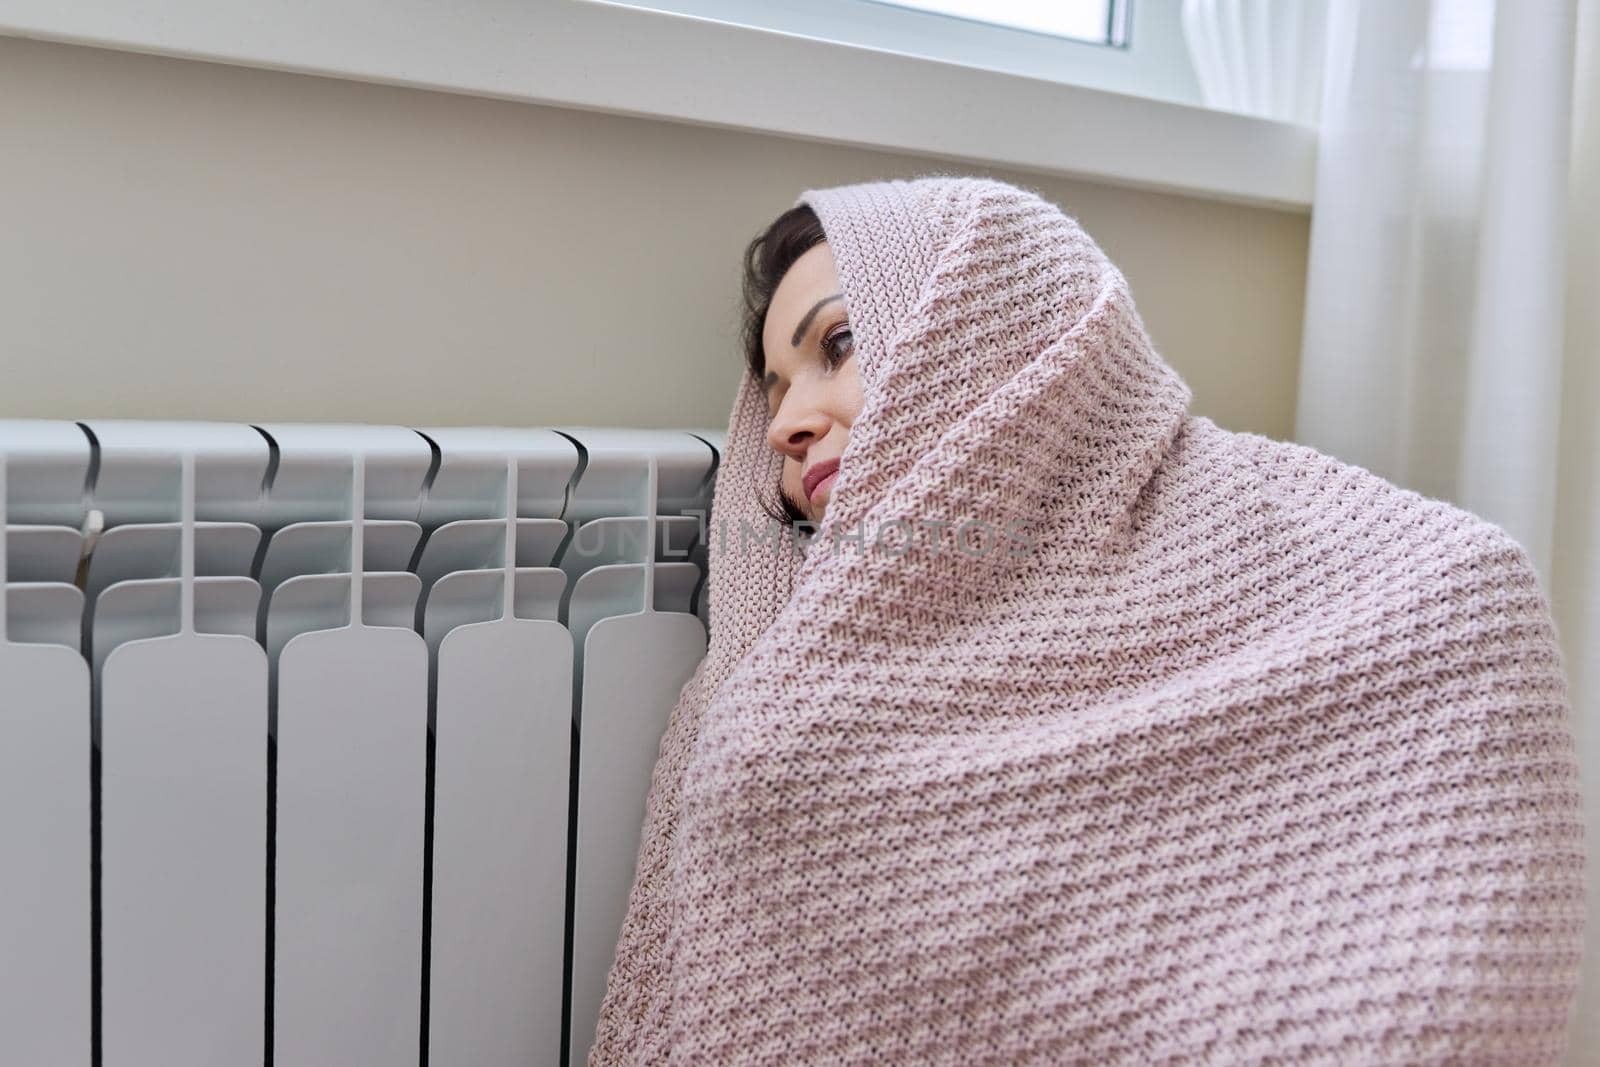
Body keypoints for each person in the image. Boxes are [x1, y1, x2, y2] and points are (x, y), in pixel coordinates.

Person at [589, 173, 1587, 1066]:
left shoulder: (1419, 586)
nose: (784, 424)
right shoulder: (794, 662)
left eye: (837, 345)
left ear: (984, 337)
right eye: (772, 386)